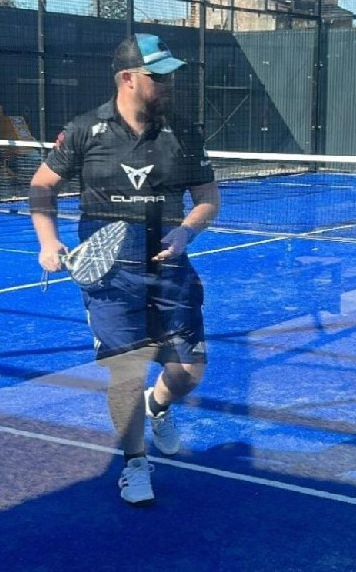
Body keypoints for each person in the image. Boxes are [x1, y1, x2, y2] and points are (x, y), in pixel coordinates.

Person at [29, 33, 220, 507]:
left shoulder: (183, 132)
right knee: (126, 372)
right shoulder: (84, 131)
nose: (169, 84)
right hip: (110, 279)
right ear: (128, 78)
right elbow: (42, 185)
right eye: (159, 76)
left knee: (189, 371)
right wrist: (48, 240)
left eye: (171, 76)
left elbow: (208, 198)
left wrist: (187, 232)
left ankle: (159, 406)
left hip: (171, 272)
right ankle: (135, 463)